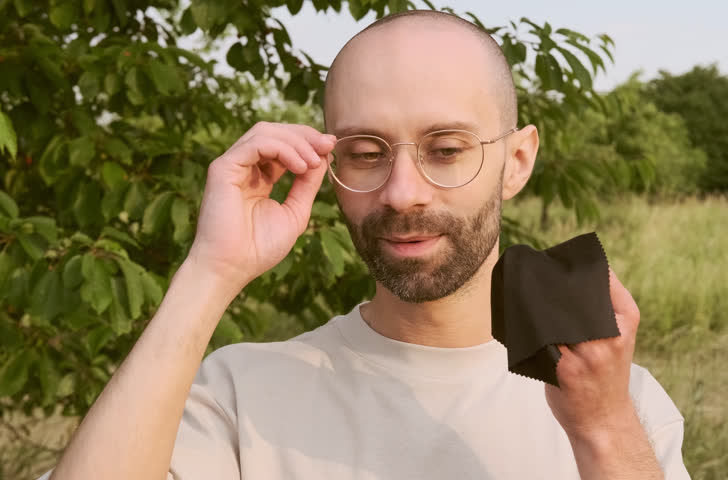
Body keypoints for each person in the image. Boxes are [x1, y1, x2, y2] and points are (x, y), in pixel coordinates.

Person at [40, 10, 689, 480]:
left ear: (516, 161)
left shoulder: (618, 402)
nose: (403, 192)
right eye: (365, 152)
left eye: (446, 149)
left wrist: (603, 432)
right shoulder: (241, 397)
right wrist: (210, 270)